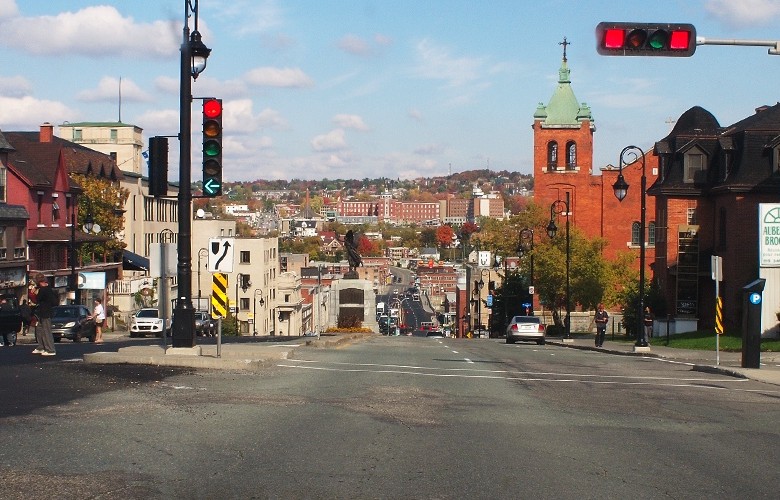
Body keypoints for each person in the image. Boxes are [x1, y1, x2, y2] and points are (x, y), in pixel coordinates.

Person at [32, 273, 58, 356]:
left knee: (46, 331)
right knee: (39, 329)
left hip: (45, 312)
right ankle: (41, 347)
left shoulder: (43, 290)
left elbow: (37, 299)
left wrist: (34, 293)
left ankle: (50, 349)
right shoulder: (48, 288)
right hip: (43, 313)